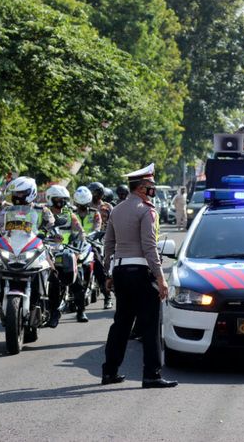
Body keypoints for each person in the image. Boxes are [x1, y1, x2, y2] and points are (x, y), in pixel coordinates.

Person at [101, 163, 177, 389]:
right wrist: (161, 278)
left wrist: (108, 272)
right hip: (142, 273)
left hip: (121, 271)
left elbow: (109, 244)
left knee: (121, 324)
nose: (153, 189)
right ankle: (152, 375)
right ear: (142, 188)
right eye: (151, 185)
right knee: (151, 325)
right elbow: (149, 246)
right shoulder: (147, 210)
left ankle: (109, 372)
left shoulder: (117, 209)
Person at [0, 176, 56, 346]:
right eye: (15, 193)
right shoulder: (6, 211)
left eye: (20, 192)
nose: (17, 196)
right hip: (10, 250)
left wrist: (50, 233)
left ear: (30, 193)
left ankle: (54, 310)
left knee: (54, 272)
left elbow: (52, 226)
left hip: (34, 250)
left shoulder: (43, 211)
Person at [47, 185, 89, 323]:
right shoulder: (43, 213)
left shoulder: (70, 214)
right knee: (52, 282)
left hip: (65, 251)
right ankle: (53, 312)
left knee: (75, 281)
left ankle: (81, 311)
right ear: (50, 199)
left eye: (63, 199)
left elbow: (80, 230)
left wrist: (80, 240)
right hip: (46, 251)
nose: (60, 202)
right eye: (57, 199)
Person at [74, 186, 112, 309]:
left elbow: (97, 227)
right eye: (80, 204)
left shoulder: (95, 213)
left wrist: (93, 235)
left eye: (85, 204)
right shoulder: (71, 213)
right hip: (74, 244)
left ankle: (107, 297)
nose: (82, 207)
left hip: (91, 244)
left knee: (99, 266)